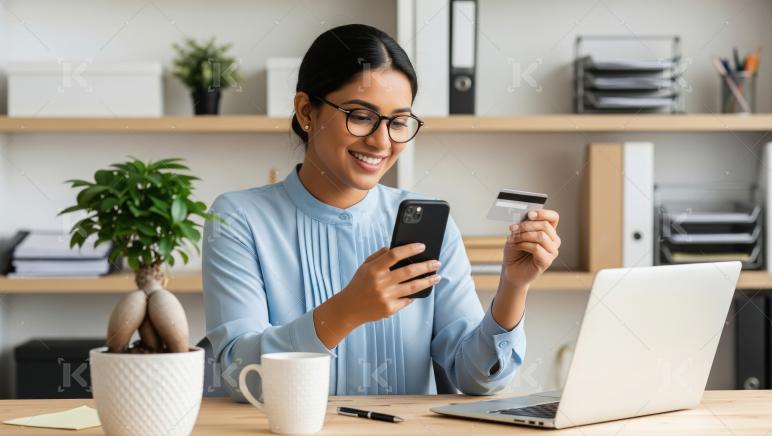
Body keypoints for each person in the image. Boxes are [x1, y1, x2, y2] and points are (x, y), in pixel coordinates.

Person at [202, 24, 561, 400]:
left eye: (398, 122)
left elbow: (476, 377)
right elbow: (241, 375)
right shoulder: (238, 218)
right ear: (307, 111)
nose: (381, 141)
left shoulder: (432, 224)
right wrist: (345, 311)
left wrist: (514, 286)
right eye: (361, 116)